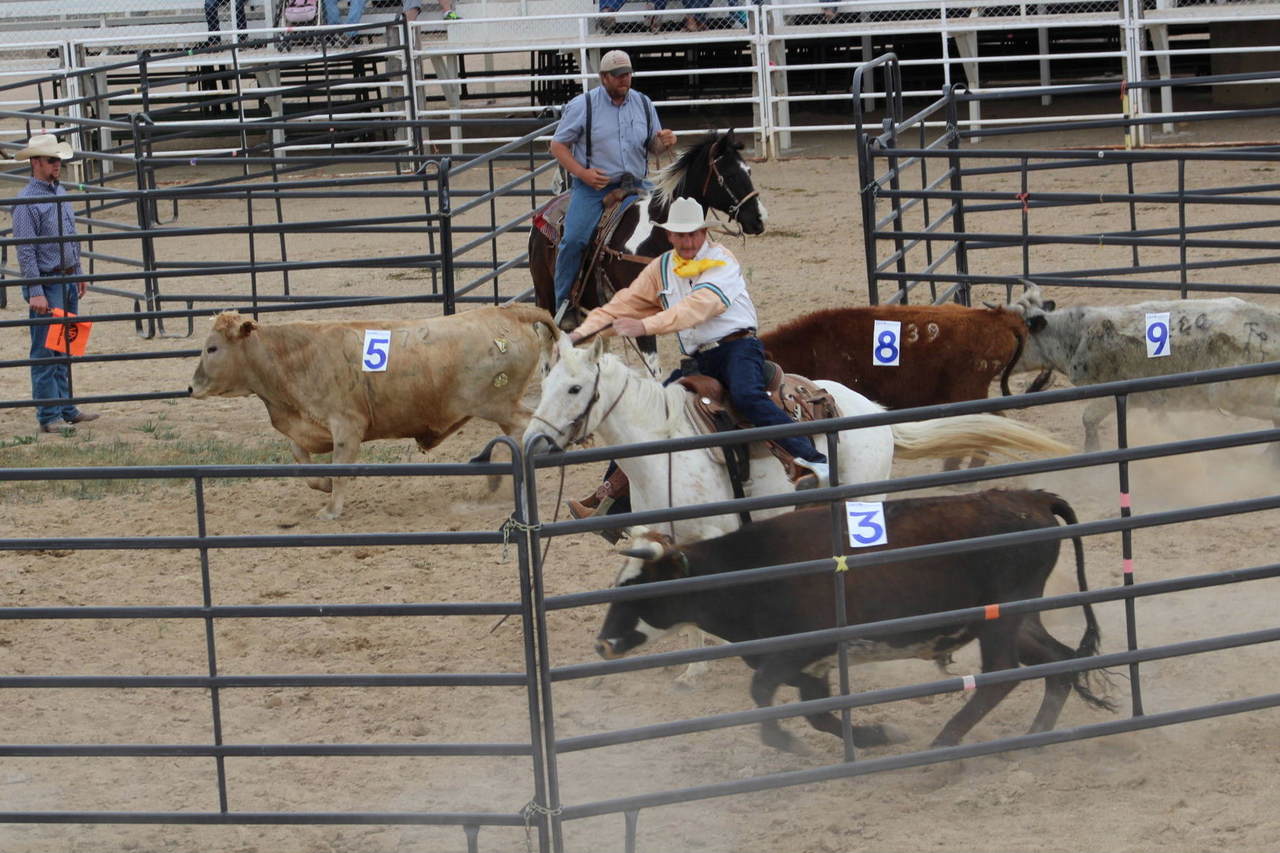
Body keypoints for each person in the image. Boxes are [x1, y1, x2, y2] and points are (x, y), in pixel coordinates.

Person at [565, 197, 829, 522]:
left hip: (739, 348)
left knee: (747, 395)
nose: (688, 241)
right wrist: (579, 335)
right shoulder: (661, 268)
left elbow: (697, 308)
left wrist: (644, 326)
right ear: (670, 236)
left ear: (704, 233)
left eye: (693, 234)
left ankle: (812, 461)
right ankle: (610, 501)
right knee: (647, 410)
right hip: (699, 358)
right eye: (681, 235)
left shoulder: (721, 260)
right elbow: (621, 305)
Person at [550, 48, 677, 328]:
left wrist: (664, 141)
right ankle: (563, 304)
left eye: (627, 74)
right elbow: (557, 146)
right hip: (594, 187)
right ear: (603, 77)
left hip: (637, 183)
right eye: (618, 75)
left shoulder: (643, 103)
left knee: (674, 224)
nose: (624, 79)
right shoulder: (583, 105)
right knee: (575, 240)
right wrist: (582, 173)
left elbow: (652, 146)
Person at [11, 134, 99, 436]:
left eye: (58, 159)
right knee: (46, 351)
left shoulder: (58, 192)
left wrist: (78, 271)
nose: (57, 165)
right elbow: (25, 250)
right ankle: (49, 414)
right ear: (35, 162)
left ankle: (65, 408)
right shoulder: (27, 202)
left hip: (65, 278)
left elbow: (70, 236)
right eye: (51, 160)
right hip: (48, 282)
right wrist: (36, 290)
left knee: (64, 347)